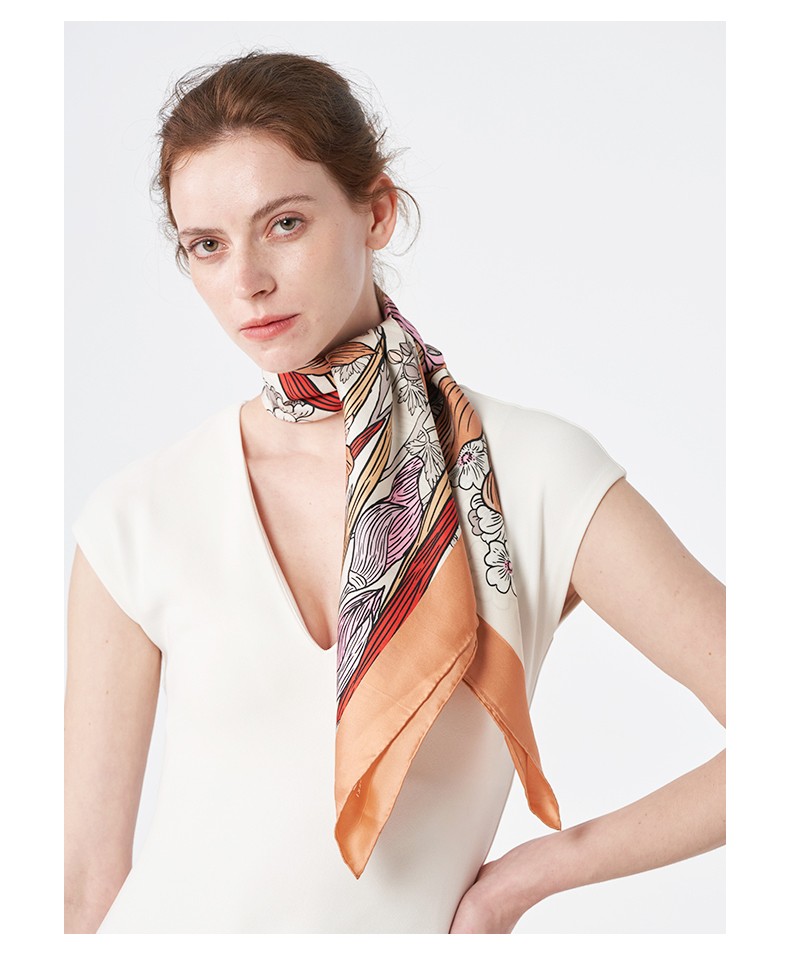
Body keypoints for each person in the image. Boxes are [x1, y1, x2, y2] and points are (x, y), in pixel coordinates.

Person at [64, 51, 725, 934]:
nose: (246, 280)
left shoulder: (531, 475)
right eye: (207, 245)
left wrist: (524, 879)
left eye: (284, 223)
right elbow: (85, 886)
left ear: (376, 212)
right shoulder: (137, 516)